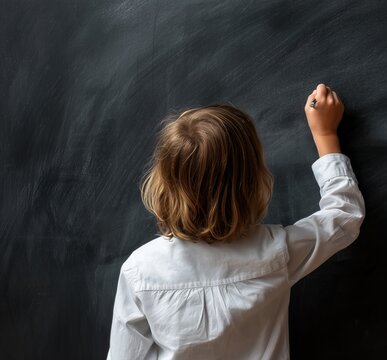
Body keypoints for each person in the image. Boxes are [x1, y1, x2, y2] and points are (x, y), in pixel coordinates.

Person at [107, 84, 366, 359]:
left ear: (165, 182)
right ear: (252, 180)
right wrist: (325, 134)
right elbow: (344, 216)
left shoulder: (140, 271)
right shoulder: (277, 253)